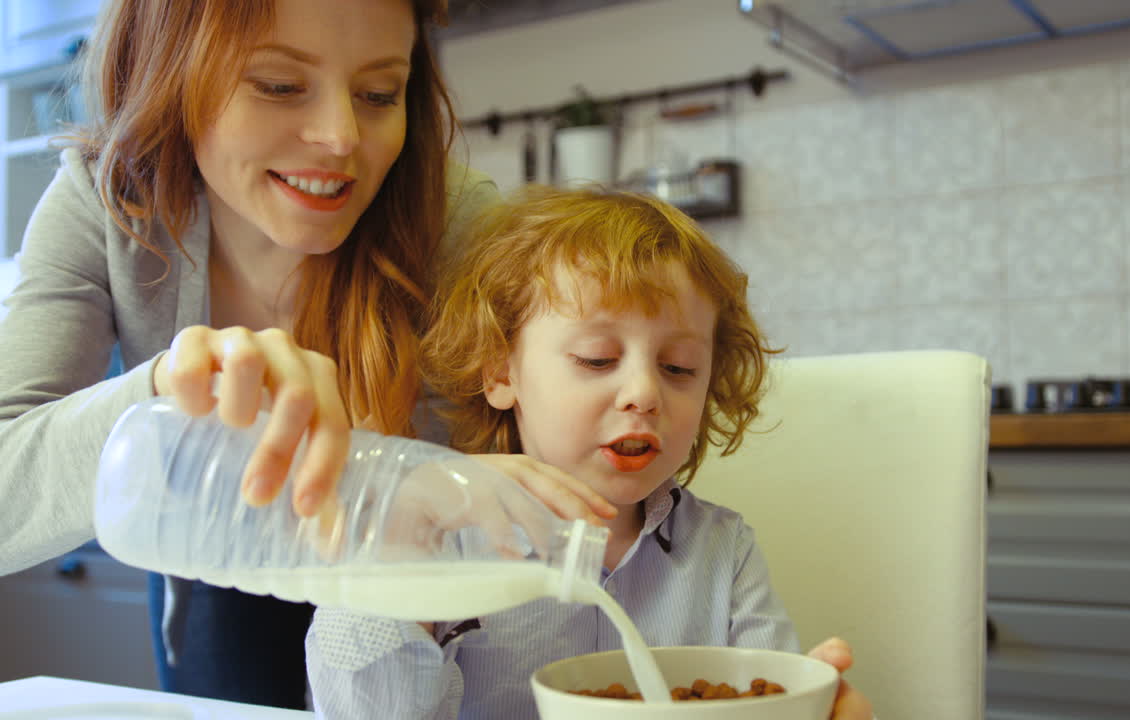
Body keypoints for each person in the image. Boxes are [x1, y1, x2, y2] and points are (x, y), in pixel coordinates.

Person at [0, 0, 612, 709]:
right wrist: (171, 389)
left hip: (425, 592)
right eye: (280, 86)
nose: (340, 136)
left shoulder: (456, 223)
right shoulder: (107, 201)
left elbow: (559, 468)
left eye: (378, 94)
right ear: (171, 73)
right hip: (222, 578)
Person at [305, 186, 875, 720]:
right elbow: (363, 710)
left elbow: (766, 699)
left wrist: (808, 704)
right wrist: (400, 538)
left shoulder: (725, 553)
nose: (644, 393)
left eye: (679, 368)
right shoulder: (444, 543)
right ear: (501, 371)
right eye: (597, 359)